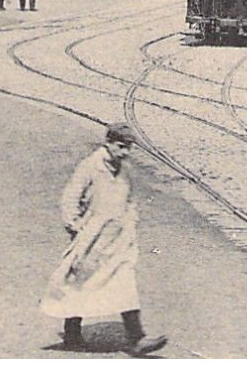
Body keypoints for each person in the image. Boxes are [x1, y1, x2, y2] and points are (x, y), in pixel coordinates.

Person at [42, 124, 167, 356]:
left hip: (117, 241)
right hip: (91, 238)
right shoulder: (90, 167)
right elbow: (70, 197)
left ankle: (137, 338)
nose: (125, 152)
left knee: (125, 284)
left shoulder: (124, 172)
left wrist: (130, 222)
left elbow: (128, 201)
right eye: (121, 147)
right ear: (108, 143)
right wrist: (75, 225)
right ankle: (71, 335)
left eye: (128, 148)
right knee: (79, 284)